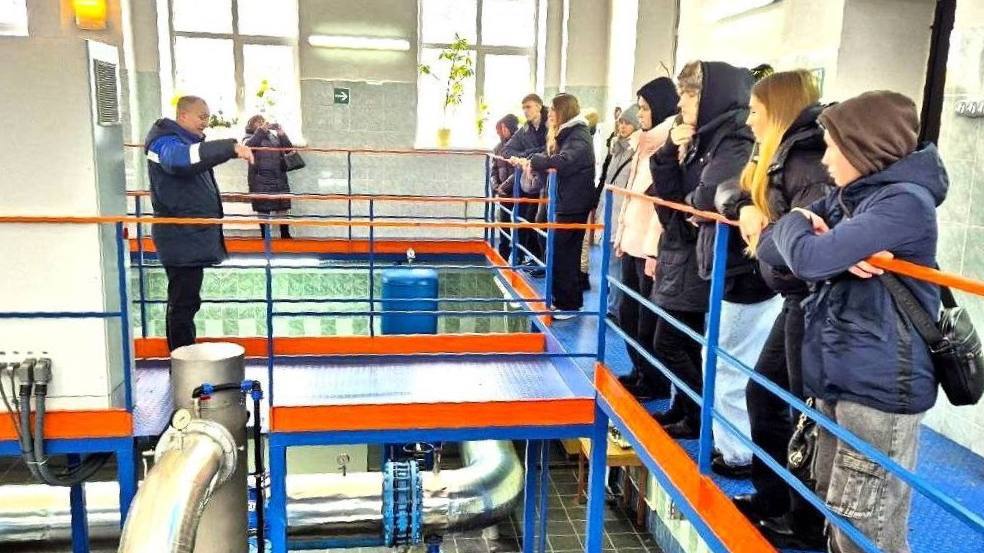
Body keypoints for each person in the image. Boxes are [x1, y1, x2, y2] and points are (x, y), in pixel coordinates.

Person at [761, 91, 946, 553]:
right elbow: (769, 247)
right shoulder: (853, 197)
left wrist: (813, 238)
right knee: (837, 510)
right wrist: (811, 232)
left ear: (862, 148)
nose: (825, 161)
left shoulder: (904, 203)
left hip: (879, 385)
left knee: (866, 528)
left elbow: (807, 259)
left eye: (832, 148)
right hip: (840, 373)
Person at [716, 70, 831, 549]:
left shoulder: (808, 163)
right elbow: (726, 188)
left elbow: (803, 246)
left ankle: (804, 523)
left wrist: (766, 237)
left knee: (804, 413)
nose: (748, 120)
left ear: (778, 111)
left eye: (755, 111)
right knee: (764, 396)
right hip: (794, 299)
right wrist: (743, 205)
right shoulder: (780, 155)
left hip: (814, 302)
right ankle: (775, 498)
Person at [648, 61, 778, 440]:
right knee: (683, 338)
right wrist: (668, 151)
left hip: (714, 254)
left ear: (709, 98)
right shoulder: (701, 136)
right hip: (689, 247)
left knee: (674, 342)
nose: (681, 104)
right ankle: (687, 408)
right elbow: (670, 192)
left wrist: (691, 203)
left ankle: (701, 416)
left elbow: (708, 194)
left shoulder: (734, 138)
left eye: (689, 95)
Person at [145, 96, 254, 352]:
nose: (205, 122)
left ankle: (184, 358)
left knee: (187, 302)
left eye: (208, 117)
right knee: (182, 304)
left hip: (188, 236)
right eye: (201, 116)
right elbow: (179, 161)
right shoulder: (165, 143)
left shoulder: (184, 142)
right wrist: (229, 148)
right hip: (179, 236)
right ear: (183, 116)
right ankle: (181, 361)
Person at [612, 77, 678, 400]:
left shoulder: (668, 146)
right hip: (632, 242)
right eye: (639, 108)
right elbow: (631, 195)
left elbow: (660, 206)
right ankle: (639, 370)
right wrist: (620, 234)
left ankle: (654, 380)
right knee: (627, 313)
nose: (639, 114)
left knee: (647, 320)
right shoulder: (642, 143)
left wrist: (653, 252)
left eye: (645, 108)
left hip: (650, 249)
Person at [514, 93, 596, 320]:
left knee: (564, 253)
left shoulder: (578, 135)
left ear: (564, 111)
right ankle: (564, 301)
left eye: (552, 110)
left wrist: (536, 161)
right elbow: (552, 156)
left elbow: (564, 161)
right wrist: (533, 159)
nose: (549, 114)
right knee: (561, 251)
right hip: (566, 201)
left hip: (574, 203)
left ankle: (569, 305)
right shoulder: (567, 133)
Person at [589, 105, 641, 303]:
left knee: (615, 264)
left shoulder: (635, 151)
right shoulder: (616, 148)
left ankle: (614, 306)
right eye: (621, 122)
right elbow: (606, 180)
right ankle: (613, 302)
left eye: (628, 123)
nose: (623, 126)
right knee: (610, 262)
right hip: (610, 211)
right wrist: (599, 206)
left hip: (622, 215)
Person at [502, 94, 549, 273]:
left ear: (539, 106)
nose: (525, 111)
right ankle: (529, 256)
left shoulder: (551, 124)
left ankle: (542, 261)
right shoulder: (525, 129)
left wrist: (528, 155)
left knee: (540, 220)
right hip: (530, 181)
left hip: (548, 181)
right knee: (522, 216)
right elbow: (507, 150)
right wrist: (524, 157)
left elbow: (551, 149)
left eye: (528, 107)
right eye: (523, 108)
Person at [244, 115, 296, 239]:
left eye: (263, 121)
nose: (262, 123)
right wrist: (261, 131)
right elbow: (248, 148)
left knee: (283, 207)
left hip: (279, 177)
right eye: (258, 122)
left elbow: (288, 150)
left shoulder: (273, 137)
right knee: (263, 208)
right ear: (252, 125)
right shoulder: (248, 137)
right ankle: (266, 237)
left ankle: (285, 235)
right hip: (260, 180)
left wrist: (281, 133)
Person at [491, 114, 520, 262]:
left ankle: (520, 255)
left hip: (520, 190)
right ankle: (503, 255)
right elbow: (493, 171)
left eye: (502, 129)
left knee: (521, 223)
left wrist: (504, 186)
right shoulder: (497, 148)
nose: (500, 132)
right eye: (498, 129)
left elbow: (519, 170)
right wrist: (496, 186)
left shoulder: (520, 145)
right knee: (504, 222)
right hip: (504, 192)